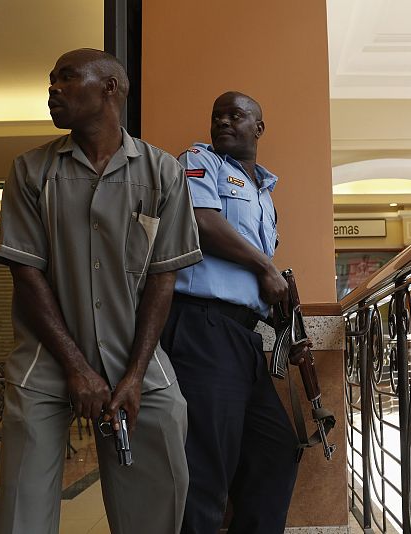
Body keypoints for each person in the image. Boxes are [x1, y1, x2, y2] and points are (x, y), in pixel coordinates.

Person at [0, 48, 202, 534]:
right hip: (46, 359)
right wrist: (78, 368)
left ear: (110, 88)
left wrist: (136, 371)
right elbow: (26, 274)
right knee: (23, 506)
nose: (53, 89)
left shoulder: (162, 171)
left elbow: (162, 277)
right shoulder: (31, 171)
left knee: (164, 449)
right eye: (51, 81)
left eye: (66, 78)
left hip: (135, 357)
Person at [161, 91, 299, 534]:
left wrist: (280, 309)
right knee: (205, 467)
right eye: (216, 115)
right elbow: (202, 221)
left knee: (276, 449)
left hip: (243, 337)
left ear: (258, 127)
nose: (222, 120)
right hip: (202, 326)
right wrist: (265, 265)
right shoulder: (199, 161)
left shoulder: (264, 190)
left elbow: (260, 271)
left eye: (235, 115)